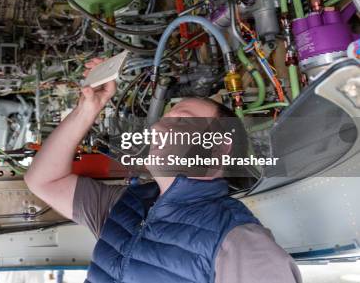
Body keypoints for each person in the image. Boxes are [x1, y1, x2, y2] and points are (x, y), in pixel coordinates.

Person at [25, 58, 303, 283]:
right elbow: (44, 180)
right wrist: (88, 109)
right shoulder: (125, 206)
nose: (156, 128)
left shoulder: (240, 240)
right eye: (162, 121)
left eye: (181, 122)